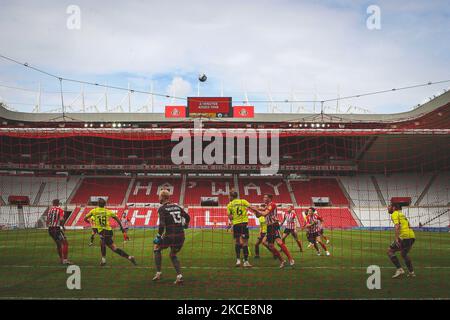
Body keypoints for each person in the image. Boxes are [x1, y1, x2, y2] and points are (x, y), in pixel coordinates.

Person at [152, 190, 190, 284]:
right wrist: (186, 225)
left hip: (170, 236)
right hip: (181, 236)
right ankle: (179, 276)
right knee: (173, 255)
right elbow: (188, 217)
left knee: (156, 248)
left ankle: (158, 273)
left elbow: (161, 225)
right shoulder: (177, 207)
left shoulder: (162, 209)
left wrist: (158, 236)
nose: (158, 198)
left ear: (162, 197)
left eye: (159, 196)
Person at [84, 198, 136, 266]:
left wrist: (91, 223)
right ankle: (129, 257)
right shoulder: (108, 211)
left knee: (102, 242)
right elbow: (117, 219)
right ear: (105, 204)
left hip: (102, 231)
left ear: (98, 204)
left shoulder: (94, 211)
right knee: (114, 248)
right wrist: (122, 228)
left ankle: (103, 260)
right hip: (109, 231)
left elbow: (85, 219)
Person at [253, 194, 295, 268]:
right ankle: (282, 260)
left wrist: (256, 209)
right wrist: (255, 210)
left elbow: (265, 213)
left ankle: (290, 259)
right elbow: (258, 215)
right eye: (264, 197)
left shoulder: (272, 205)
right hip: (269, 227)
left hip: (274, 225)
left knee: (279, 242)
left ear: (269, 198)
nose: (264, 198)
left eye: (265, 197)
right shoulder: (267, 206)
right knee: (271, 246)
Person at [226, 191, 259, 267]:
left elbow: (230, 217)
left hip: (236, 225)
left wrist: (234, 218)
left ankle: (238, 260)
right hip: (244, 224)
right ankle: (246, 261)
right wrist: (258, 211)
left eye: (229, 196)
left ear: (231, 197)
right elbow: (251, 207)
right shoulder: (243, 201)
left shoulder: (230, 205)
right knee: (245, 243)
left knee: (237, 242)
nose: (228, 198)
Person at [387, 203, 416, 278]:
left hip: (404, 236)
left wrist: (397, 238)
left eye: (389, 206)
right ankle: (411, 272)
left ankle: (399, 269)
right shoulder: (401, 214)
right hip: (412, 236)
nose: (387, 207)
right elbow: (409, 225)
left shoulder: (394, 214)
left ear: (393, 208)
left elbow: (397, 226)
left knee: (390, 251)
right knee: (404, 254)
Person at [47, 199, 71, 265]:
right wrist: (62, 226)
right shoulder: (60, 210)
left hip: (50, 229)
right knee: (65, 243)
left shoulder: (50, 210)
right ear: (58, 203)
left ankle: (61, 259)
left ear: (52, 203)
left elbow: (48, 220)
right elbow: (61, 219)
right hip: (56, 229)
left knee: (58, 244)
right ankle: (65, 260)